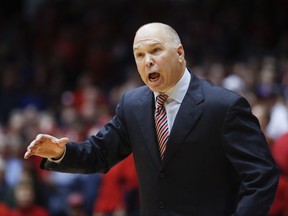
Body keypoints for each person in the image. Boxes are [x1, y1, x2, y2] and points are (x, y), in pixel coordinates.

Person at [24, 22, 279, 216]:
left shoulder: (224, 106)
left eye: (155, 50)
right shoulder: (132, 104)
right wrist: (60, 152)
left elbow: (261, 176)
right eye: (140, 55)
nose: (148, 61)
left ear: (180, 52)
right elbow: (100, 153)